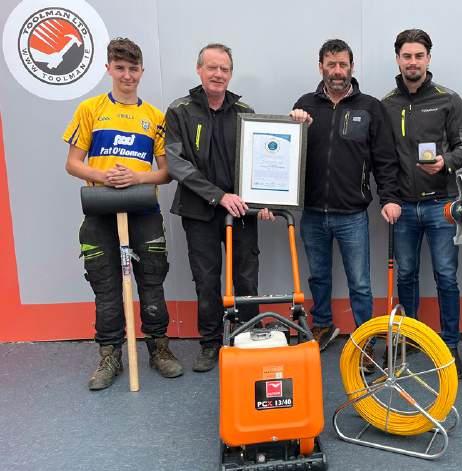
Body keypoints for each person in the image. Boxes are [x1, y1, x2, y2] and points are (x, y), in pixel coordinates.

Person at [64, 37, 183, 390]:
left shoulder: (155, 117)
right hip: (100, 209)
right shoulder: (90, 109)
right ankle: (110, 356)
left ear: (142, 71)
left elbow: (167, 172)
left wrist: (136, 178)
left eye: (133, 69)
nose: (127, 75)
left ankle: (159, 349)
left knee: (152, 282)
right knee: (105, 285)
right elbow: (72, 163)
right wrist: (103, 177)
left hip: (143, 209)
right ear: (108, 69)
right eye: (120, 68)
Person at [289, 39, 401, 363]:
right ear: (320, 66)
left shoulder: (370, 108)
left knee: (360, 283)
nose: (337, 71)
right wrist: (296, 126)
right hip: (313, 212)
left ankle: (365, 339)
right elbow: (287, 155)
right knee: (318, 277)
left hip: (352, 214)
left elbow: (384, 159)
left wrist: (389, 198)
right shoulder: (304, 105)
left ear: (352, 67)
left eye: (343, 64)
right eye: (331, 64)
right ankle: (323, 325)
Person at [165, 43, 270, 373]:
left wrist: (265, 201)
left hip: (241, 212)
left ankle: (249, 335)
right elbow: (176, 163)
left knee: (246, 277)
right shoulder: (180, 111)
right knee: (206, 280)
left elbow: (260, 164)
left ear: (231, 73)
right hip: (199, 212)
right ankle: (210, 343)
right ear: (199, 70)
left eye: (224, 69)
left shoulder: (245, 112)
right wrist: (218, 195)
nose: (218, 74)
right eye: (212, 67)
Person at [382, 29, 462, 378]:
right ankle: (409, 339)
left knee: (446, 276)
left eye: (419, 56)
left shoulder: (449, 99)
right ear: (398, 59)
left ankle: (449, 347)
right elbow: (382, 159)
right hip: (403, 207)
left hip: (442, 205)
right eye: (407, 56)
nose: (413, 62)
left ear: (428, 59)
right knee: (406, 275)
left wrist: (446, 162)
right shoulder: (386, 104)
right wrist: (388, 197)